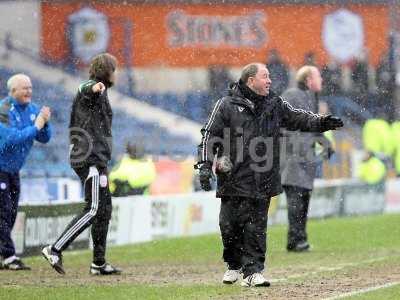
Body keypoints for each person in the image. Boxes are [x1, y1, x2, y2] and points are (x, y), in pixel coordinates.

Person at [195, 63, 343, 287]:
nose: (270, 80)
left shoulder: (275, 103)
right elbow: (209, 135)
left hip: (263, 177)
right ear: (250, 80)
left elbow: (297, 118)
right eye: (265, 76)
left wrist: (321, 123)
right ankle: (234, 264)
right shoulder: (226, 104)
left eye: (270, 77)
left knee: (256, 227)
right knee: (229, 225)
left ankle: (253, 272)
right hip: (233, 177)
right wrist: (204, 165)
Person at [42, 53, 121, 276]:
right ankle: (54, 248)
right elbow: (84, 89)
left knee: (104, 210)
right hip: (89, 158)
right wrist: (95, 87)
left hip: (98, 159)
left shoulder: (103, 94)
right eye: (114, 70)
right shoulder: (92, 89)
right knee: (94, 208)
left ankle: (98, 263)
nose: (117, 74)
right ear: (107, 72)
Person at [280, 66, 334, 252]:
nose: (322, 80)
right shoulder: (294, 94)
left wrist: (326, 143)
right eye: (318, 76)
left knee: (302, 199)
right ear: (309, 79)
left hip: (302, 158)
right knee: (297, 200)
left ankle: (297, 240)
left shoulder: (307, 97)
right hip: (293, 159)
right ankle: (296, 240)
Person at [0, 74, 51, 270]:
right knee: (3, 211)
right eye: (24, 88)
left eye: (30, 87)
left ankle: (5, 254)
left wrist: (44, 123)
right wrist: (37, 125)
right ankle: (9, 256)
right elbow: (12, 139)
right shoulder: (4, 110)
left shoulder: (32, 109)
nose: (29, 91)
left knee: (11, 212)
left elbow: (45, 138)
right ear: (12, 92)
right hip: (0, 168)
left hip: (14, 170)